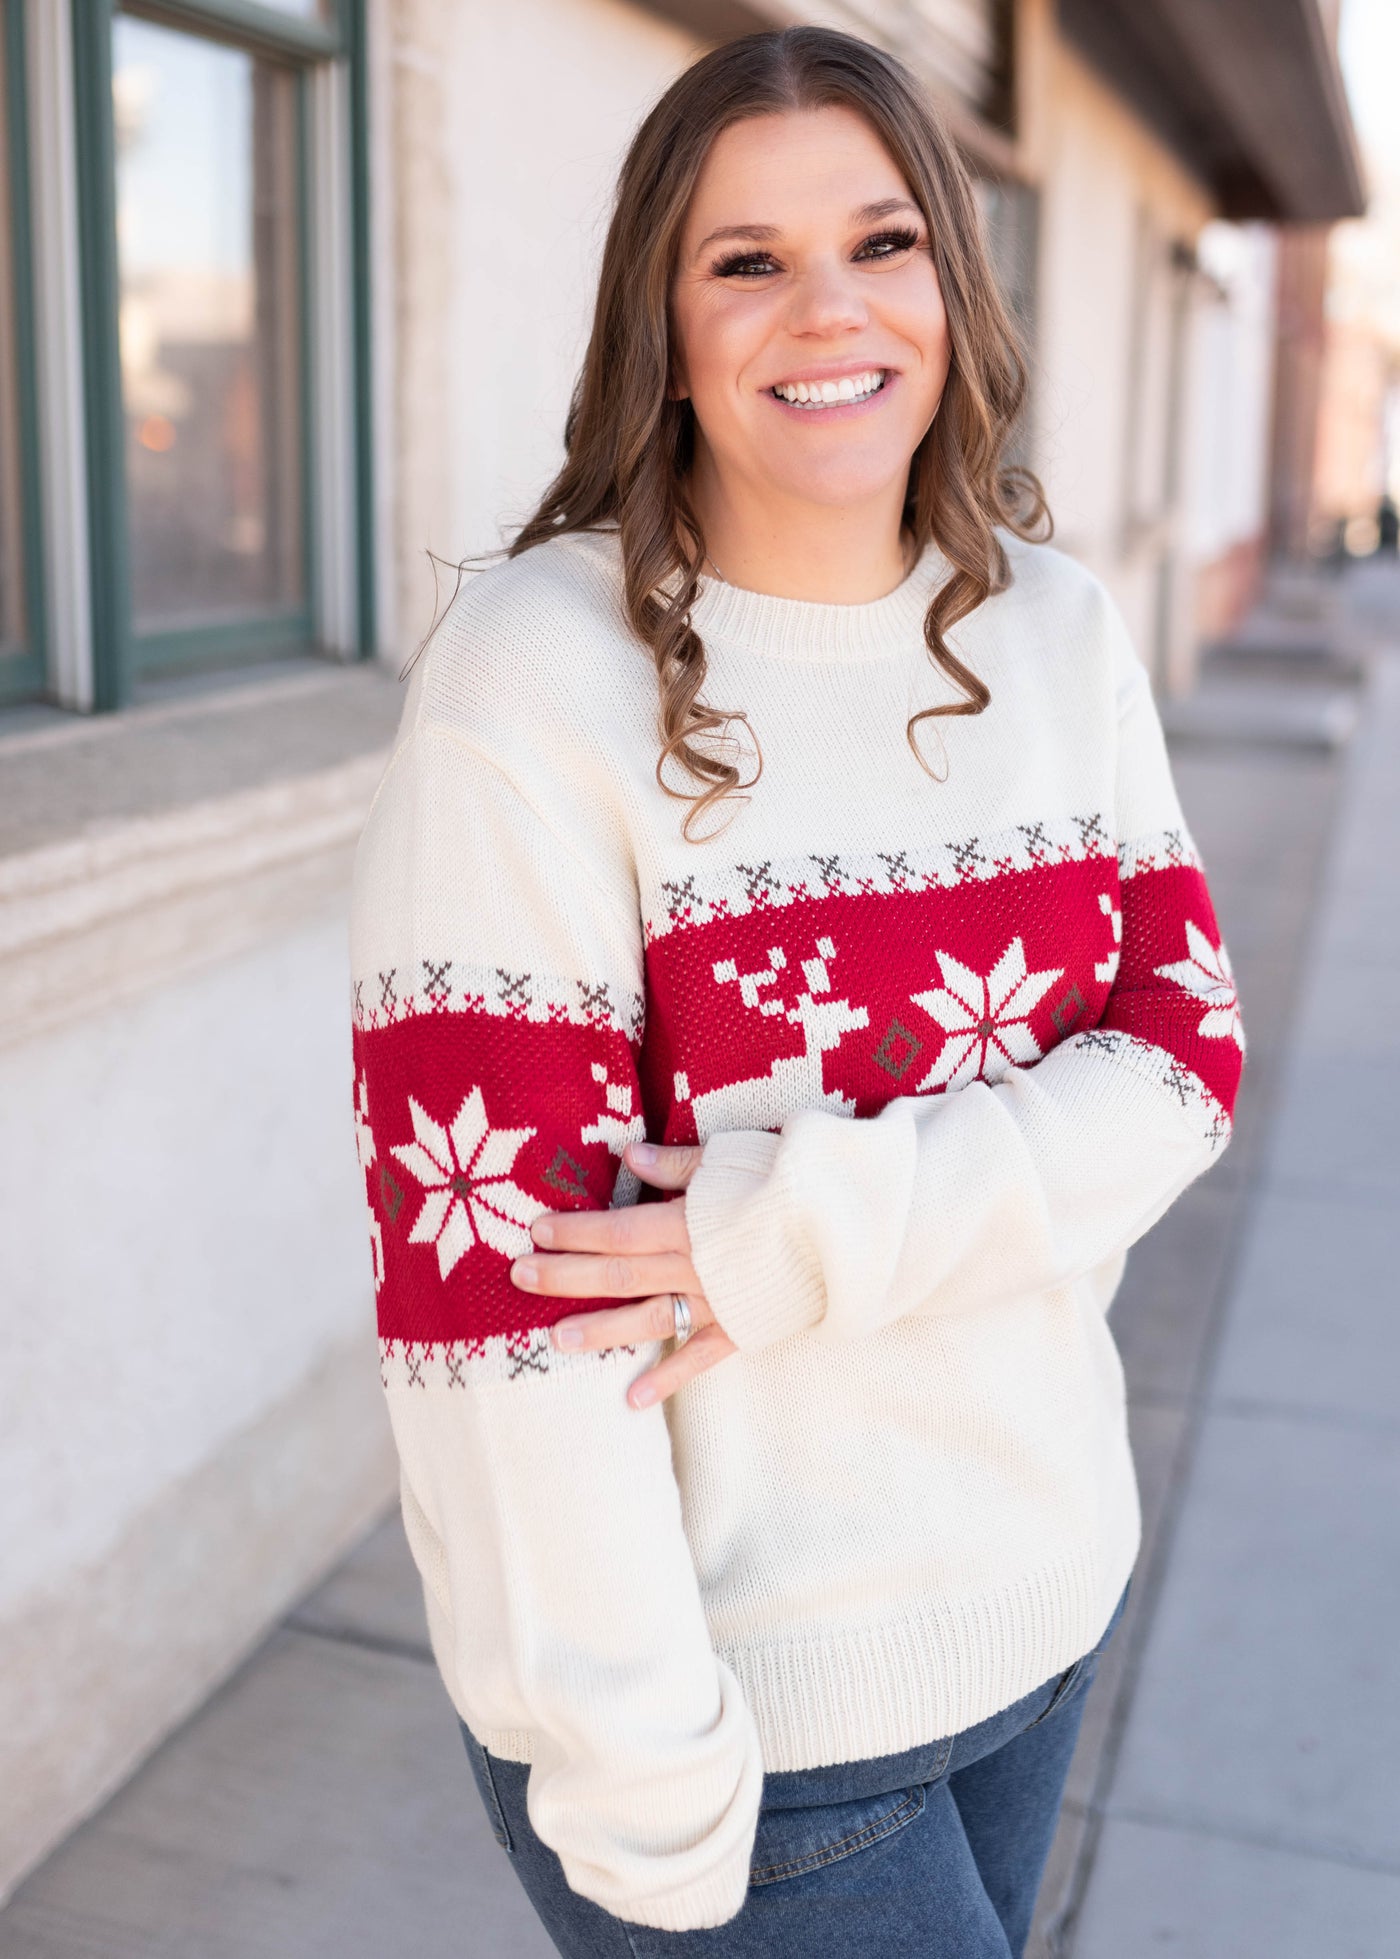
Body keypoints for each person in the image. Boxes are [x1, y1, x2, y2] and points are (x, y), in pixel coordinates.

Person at [348, 25, 1243, 1957]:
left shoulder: (1059, 631)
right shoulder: (537, 680)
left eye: (882, 241)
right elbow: (494, 1295)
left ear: (955, 287)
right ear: (662, 329)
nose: (829, 308)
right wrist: (644, 1780)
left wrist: (796, 1225)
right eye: (745, 260)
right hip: (754, 1730)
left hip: (1043, 1611)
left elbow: (1182, 1067)